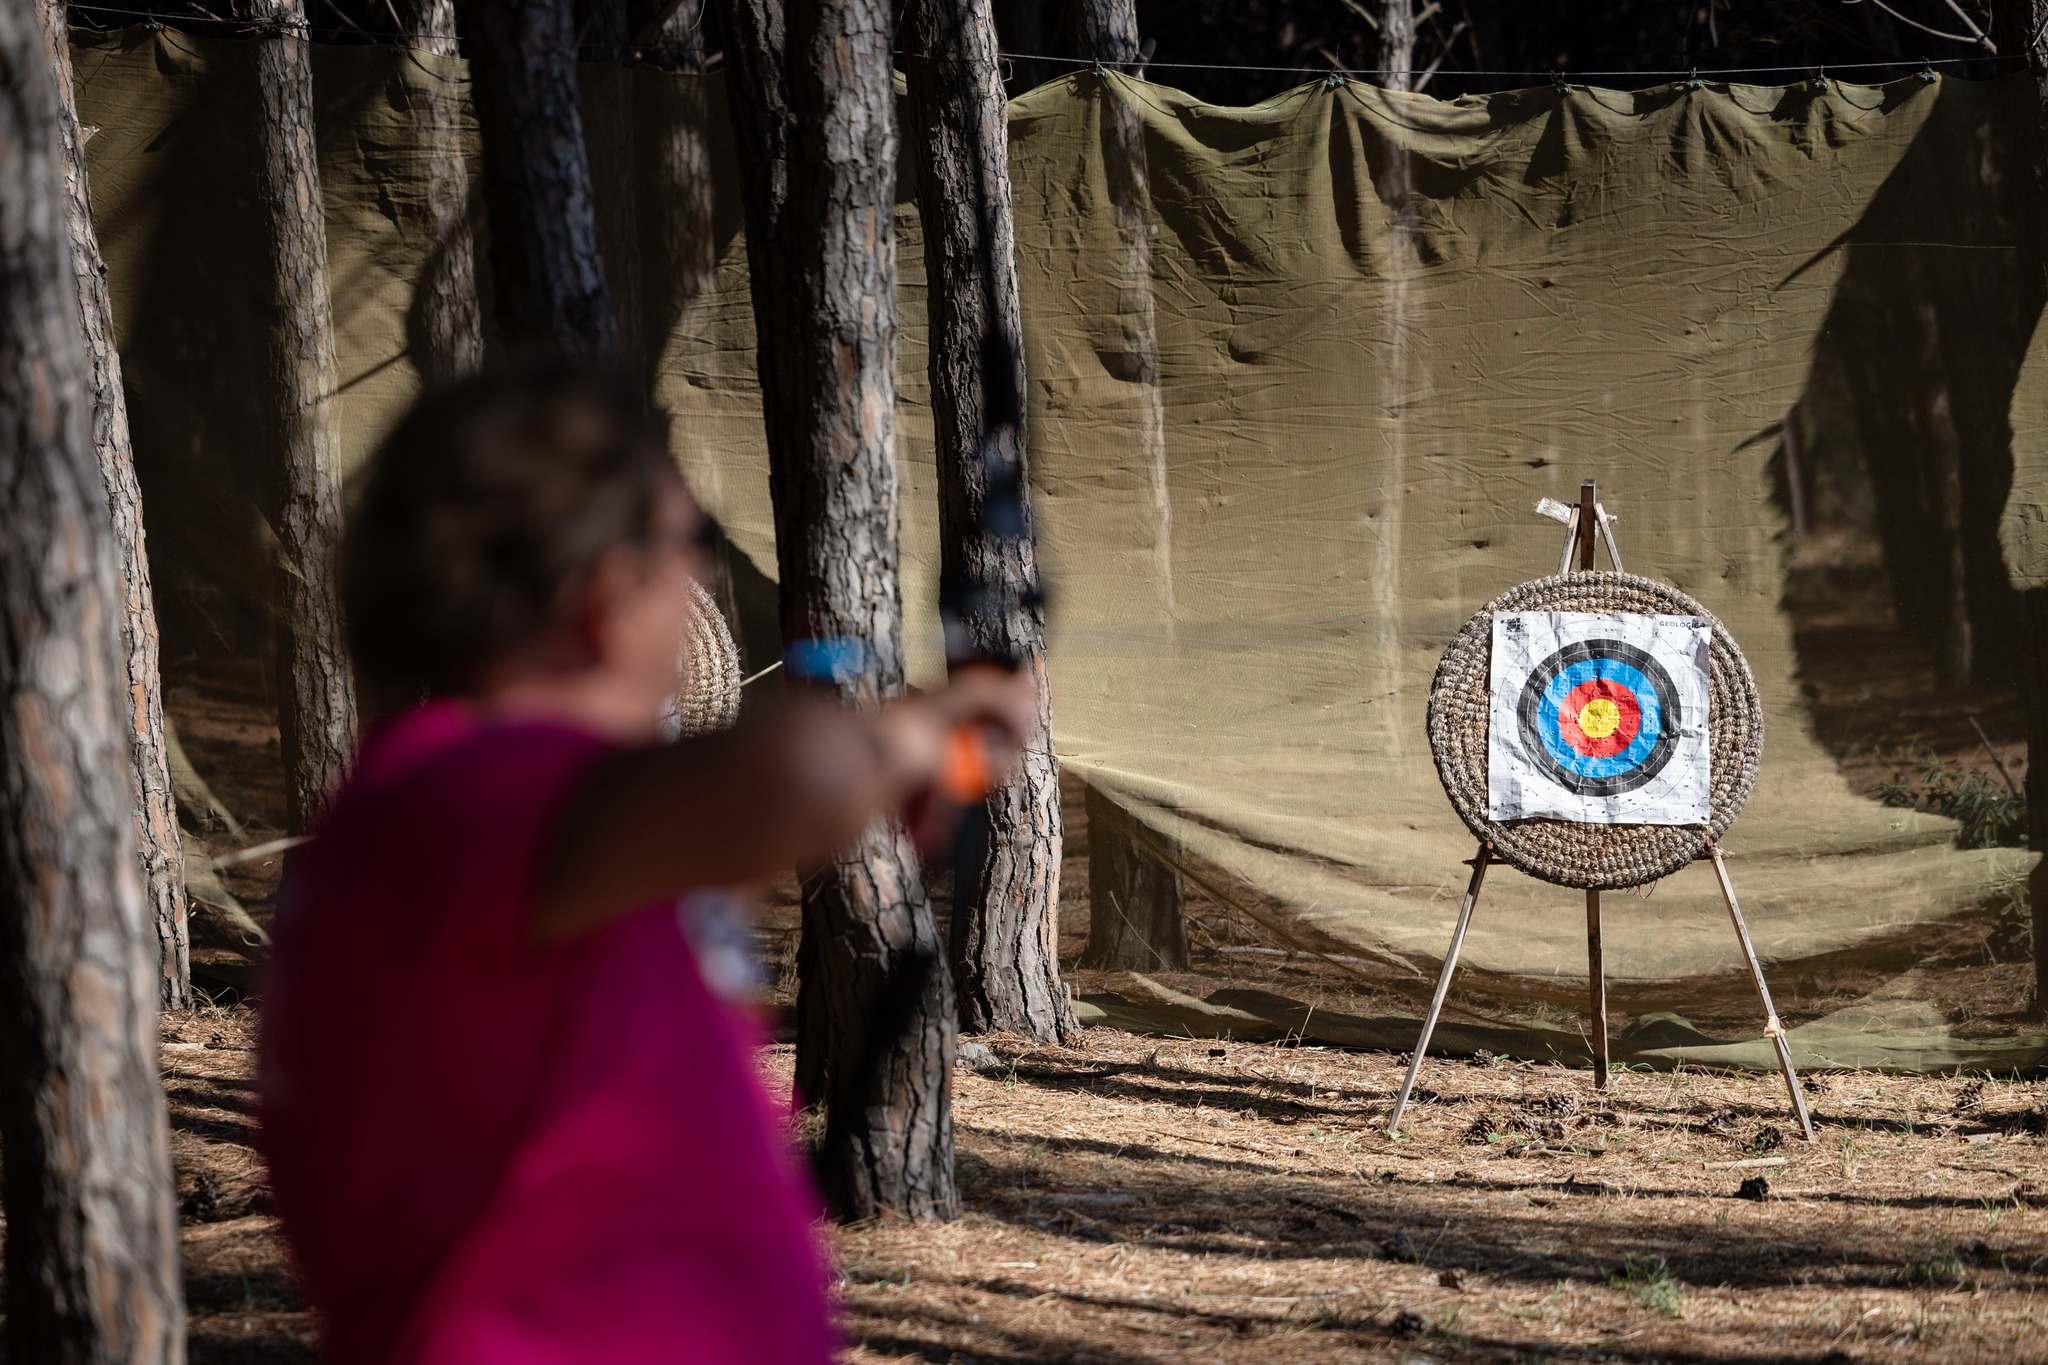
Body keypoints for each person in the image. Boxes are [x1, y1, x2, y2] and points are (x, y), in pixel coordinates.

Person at [259, 355, 1033, 1365]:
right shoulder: (463, 796)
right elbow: (796, 774)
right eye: (689, 540)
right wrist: (922, 734)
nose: (704, 572)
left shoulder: (477, 826)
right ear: (601, 588)